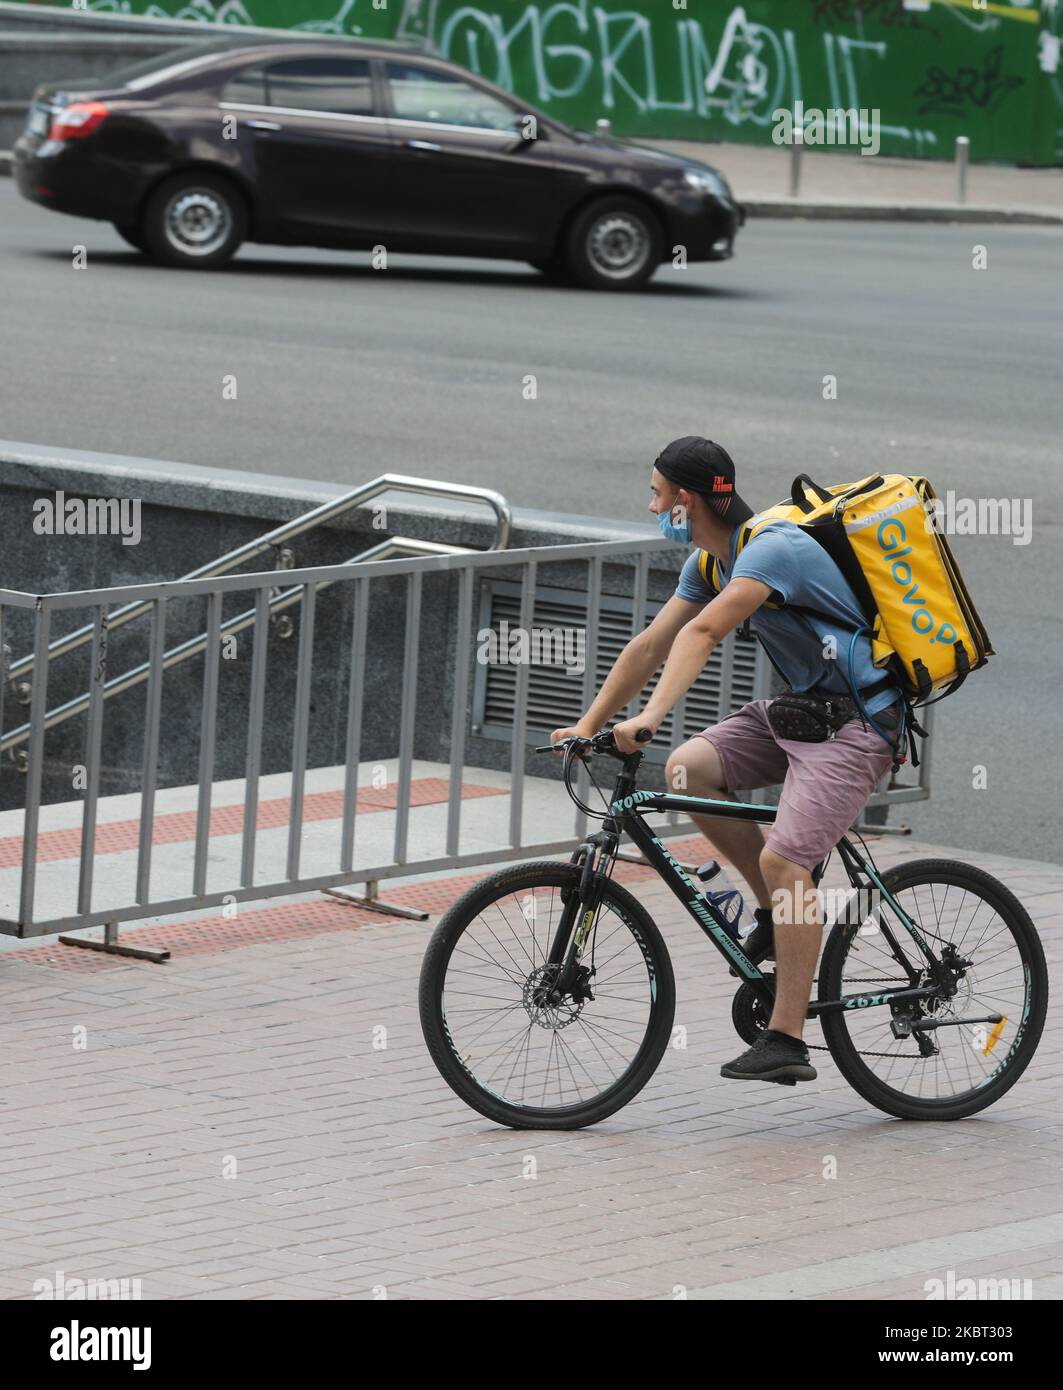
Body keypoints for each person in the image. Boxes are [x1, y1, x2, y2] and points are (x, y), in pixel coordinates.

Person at [550, 436, 904, 1086]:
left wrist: (648, 720)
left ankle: (787, 1036)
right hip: (805, 712)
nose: (652, 503)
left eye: (656, 493)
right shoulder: (710, 562)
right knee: (687, 769)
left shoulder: (771, 550)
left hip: (859, 723)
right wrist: (589, 724)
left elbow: (704, 633)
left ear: (685, 500)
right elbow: (652, 642)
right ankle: (774, 909)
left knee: (784, 862)